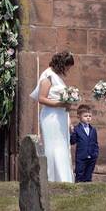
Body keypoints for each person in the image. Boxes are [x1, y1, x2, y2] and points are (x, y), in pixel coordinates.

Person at [33, 50, 76, 182]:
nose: (69, 69)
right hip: (51, 117)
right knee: (52, 147)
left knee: (62, 146)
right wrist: (60, 104)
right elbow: (41, 98)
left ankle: (63, 178)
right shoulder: (48, 76)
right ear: (62, 64)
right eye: (68, 66)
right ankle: (52, 178)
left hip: (61, 116)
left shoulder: (58, 77)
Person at [70, 104, 100, 183]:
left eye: (90, 116)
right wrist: (72, 132)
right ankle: (78, 190)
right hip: (81, 157)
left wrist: (96, 153)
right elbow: (72, 141)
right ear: (79, 117)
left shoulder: (93, 129)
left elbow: (95, 143)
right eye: (85, 116)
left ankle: (87, 192)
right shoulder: (77, 129)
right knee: (80, 174)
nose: (88, 118)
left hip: (92, 156)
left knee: (88, 175)